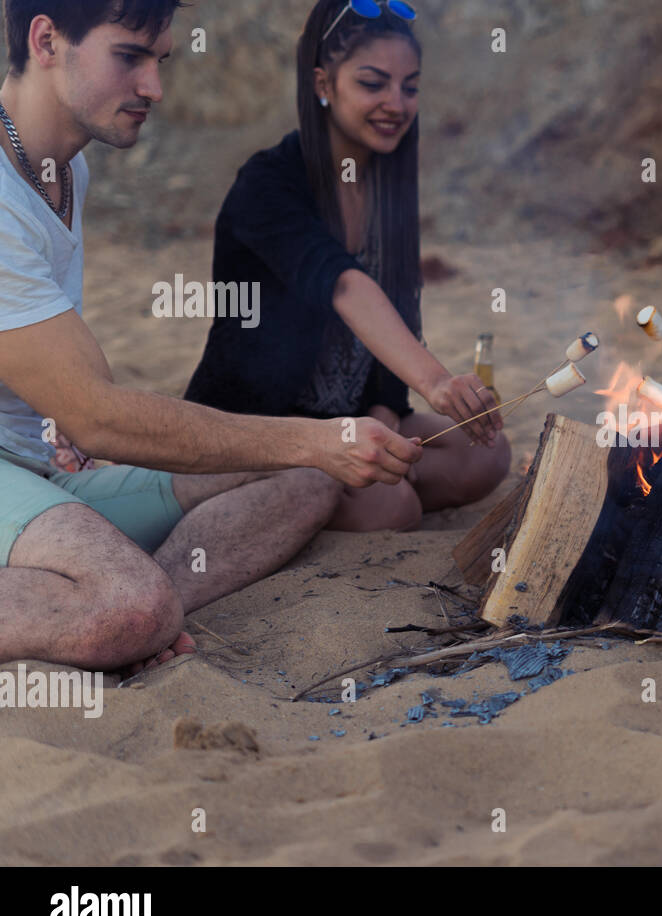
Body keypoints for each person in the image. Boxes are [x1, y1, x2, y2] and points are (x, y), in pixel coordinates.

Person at [0, 0, 421, 675]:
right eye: (129, 57)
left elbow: (66, 390)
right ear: (47, 39)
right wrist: (319, 435)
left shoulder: (64, 170)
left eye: (160, 60)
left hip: (34, 469)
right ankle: (135, 613)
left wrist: (319, 448)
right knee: (124, 602)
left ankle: (158, 618)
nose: (154, 88)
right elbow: (99, 415)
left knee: (310, 476)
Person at [184, 0, 510, 534]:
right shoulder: (268, 184)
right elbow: (344, 285)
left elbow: (398, 309)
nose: (395, 103)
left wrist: (383, 414)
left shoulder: (386, 183)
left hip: (351, 420)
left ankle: (369, 477)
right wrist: (435, 381)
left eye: (410, 86)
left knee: (488, 455)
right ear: (323, 83)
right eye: (373, 83)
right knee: (394, 507)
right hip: (268, 429)